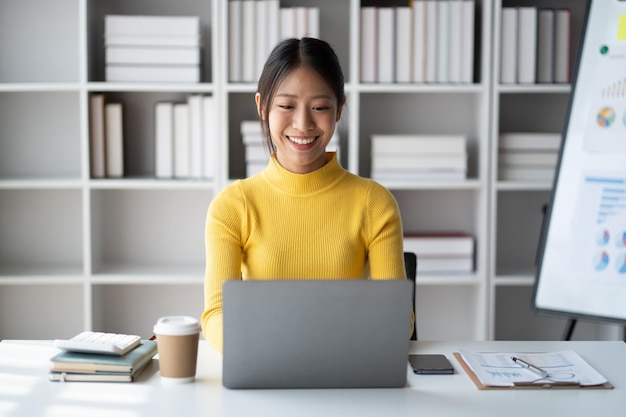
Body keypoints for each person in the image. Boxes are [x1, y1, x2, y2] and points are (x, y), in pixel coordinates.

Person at [201, 37, 410, 352]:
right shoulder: (232, 206)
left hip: (345, 372)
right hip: (263, 364)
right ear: (262, 107)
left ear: (339, 109)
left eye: (320, 107)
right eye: (286, 106)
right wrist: (264, 346)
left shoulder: (374, 202)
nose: (303, 124)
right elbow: (216, 315)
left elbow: (397, 320)